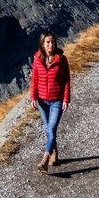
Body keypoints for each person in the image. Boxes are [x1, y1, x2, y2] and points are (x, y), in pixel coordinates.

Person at [29, 32, 70, 171]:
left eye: (52, 42)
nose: (50, 44)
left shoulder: (61, 59)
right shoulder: (37, 59)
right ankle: (55, 153)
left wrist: (66, 99)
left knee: (51, 129)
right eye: (48, 42)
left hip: (56, 101)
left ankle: (45, 159)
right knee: (48, 130)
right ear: (42, 44)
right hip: (42, 101)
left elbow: (66, 81)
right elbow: (34, 79)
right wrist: (32, 97)